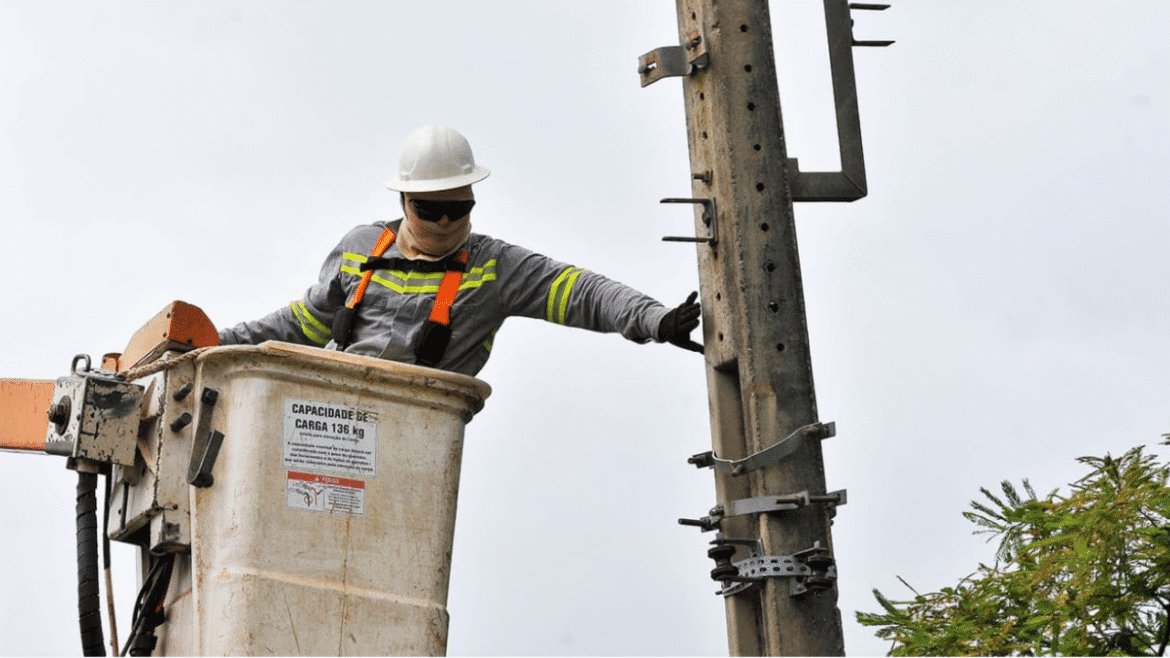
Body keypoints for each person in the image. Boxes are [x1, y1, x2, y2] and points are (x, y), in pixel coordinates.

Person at [217, 125, 702, 377]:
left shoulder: (494, 269)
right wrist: (212, 341)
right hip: (330, 417)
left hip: (419, 425)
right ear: (404, 201)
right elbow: (303, 323)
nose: (446, 221)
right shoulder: (360, 247)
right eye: (431, 210)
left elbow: (581, 291)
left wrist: (653, 319)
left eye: (459, 207)